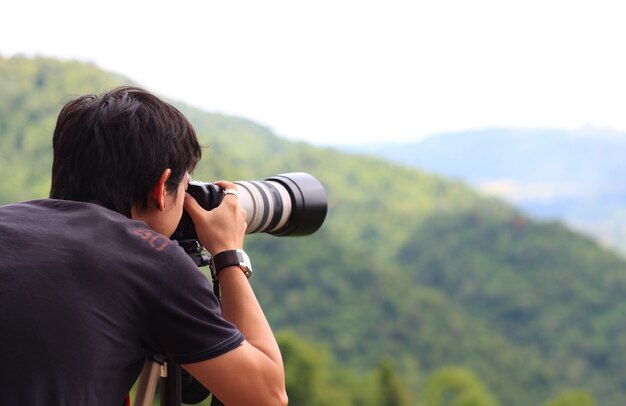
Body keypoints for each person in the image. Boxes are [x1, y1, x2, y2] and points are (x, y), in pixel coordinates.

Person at [0, 86, 288, 405]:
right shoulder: (149, 259)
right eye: (184, 186)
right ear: (162, 187)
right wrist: (228, 254)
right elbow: (267, 397)